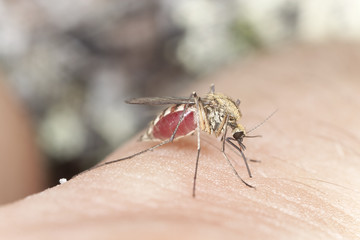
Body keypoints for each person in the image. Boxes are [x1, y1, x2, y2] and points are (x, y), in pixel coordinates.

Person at [1, 43, 359, 239]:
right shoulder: (215, 120)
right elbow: (208, 113)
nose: (236, 141)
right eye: (236, 137)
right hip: (180, 115)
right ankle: (156, 143)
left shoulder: (230, 121)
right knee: (199, 121)